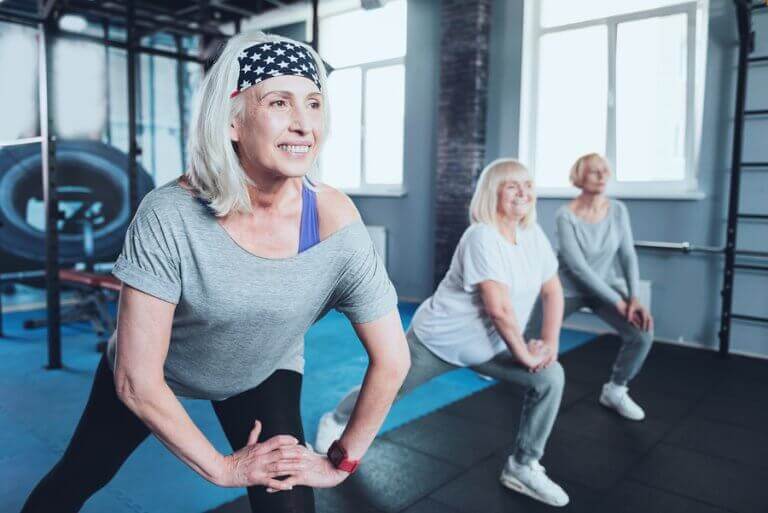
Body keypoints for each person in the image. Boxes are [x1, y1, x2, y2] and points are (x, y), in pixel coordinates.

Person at [21, 31, 410, 513]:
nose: (303, 124)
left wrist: (342, 461)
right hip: (159, 372)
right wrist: (223, 467)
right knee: (79, 476)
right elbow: (137, 381)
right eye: (278, 102)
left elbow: (393, 360)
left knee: (288, 505)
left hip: (263, 370)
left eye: (313, 104)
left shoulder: (331, 223)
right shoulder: (170, 215)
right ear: (232, 121)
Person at [315, 159, 571, 507]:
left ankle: (523, 465)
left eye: (527, 184)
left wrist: (551, 344)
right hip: (438, 343)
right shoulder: (482, 236)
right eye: (512, 185)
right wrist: (526, 354)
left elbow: (553, 290)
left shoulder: (532, 235)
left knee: (550, 377)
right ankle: (337, 417)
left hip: (492, 345)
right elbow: (498, 307)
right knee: (383, 393)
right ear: (492, 193)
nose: (523, 192)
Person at [530, 152, 653, 421]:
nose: (602, 175)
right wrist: (619, 302)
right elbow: (578, 268)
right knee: (530, 336)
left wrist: (633, 298)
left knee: (641, 333)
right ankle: (500, 364)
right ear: (579, 177)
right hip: (566, 290)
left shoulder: (618, 210)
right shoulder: (566, 215)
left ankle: (616, 390)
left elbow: (627, 254)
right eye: (594, 171)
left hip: (604, 289)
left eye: (605, 170)